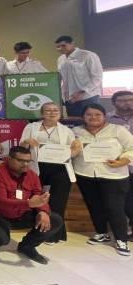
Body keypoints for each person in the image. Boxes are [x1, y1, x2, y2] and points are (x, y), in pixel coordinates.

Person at [0, 146, 65, 264]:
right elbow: (1, 202)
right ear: (9, 159)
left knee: (55, 220)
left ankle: (27, 246)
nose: (25, 164)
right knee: (0, 240)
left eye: (28, 161)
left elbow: (38, 194)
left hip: (20, 212)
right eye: (20, 160)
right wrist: (29, 203)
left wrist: (42, 211)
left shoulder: (32, 175)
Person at [73, 103, 133, 255]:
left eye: (97, 114)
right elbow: (70, 151)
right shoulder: (76, 131)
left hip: (114, 175)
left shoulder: (118, 130)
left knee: (115, 208)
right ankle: (102, 233)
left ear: (104, 116)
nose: (93, 117)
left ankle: (121, 239)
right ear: (83, 117)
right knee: (94, 206)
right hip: (85, 174)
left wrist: (123, 160)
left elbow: (131, 148)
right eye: (89, 115)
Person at [19, 102, 82, 242]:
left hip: (60, 168)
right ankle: (37, 230)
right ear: (42, 113)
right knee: (36, 199)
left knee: (58, 202)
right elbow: (21, 147)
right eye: (48, 110)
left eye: (55, 110)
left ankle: (55, 235)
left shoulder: (67, 131)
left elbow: (71, 152)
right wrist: (26, 143)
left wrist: (76, 150)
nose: (52, 113)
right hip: (36, 167)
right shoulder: (31, 127)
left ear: (60, 113)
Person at [56, 35, 104, 117]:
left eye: (63, 45)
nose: (61, 48)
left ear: (72, 44)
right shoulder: (60, 59)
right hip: (70, 99)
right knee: (74, 125)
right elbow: (60, 78)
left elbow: (97, 77)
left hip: (88, 97)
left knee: (92, 122)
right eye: (58, 47)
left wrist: (82, 91)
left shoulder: (88, 55)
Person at [108, 91, 133, 228]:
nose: (127, 103)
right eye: (122, 100)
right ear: (114, 103)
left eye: (130, 100)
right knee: (121, 199)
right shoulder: (106, 119)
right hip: (116, 166)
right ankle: (124, 227)